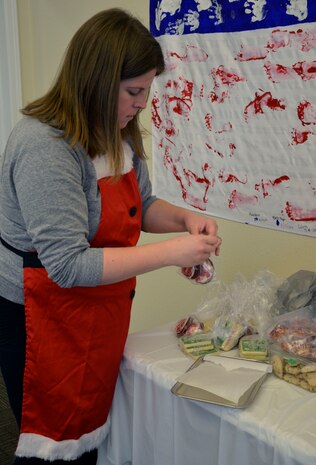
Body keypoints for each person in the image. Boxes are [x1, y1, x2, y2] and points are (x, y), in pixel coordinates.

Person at [0, 8, 221, 465]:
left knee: (93, 431)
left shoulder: (117, 132)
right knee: (51, 446)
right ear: (97, 82)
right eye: (134, 92)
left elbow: (142, 204)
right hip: (39, 317)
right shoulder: (45, 147)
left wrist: (184, 220)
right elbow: (67, 266)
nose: (143, 105)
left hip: (97, 309)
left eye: (147, 91)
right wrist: (170, 254)